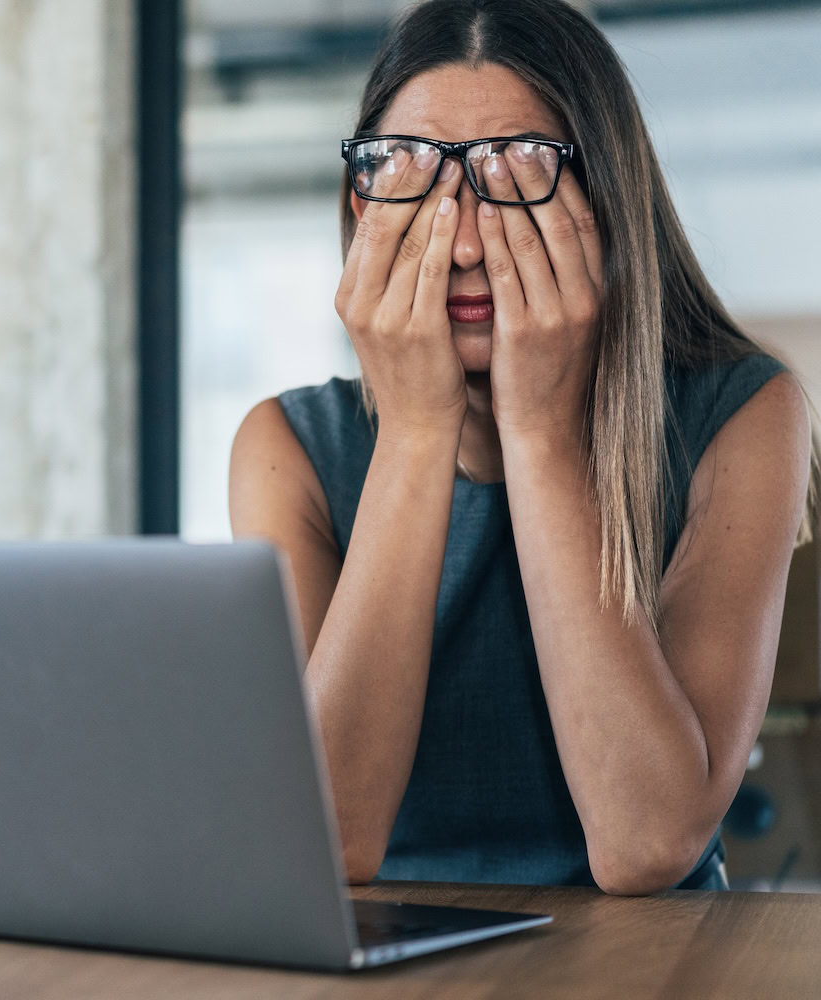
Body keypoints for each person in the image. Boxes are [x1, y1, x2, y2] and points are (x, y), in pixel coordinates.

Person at [227, 0, 820, 895]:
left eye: (520, 172)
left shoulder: (745, 414)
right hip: (391, 950)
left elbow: (648, 843)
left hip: (651, 958)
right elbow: (323, 843)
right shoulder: (287, 449)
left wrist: (540, 431)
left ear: (605, 202)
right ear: (364, 203)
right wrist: (417, 432)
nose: (465, 243)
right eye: (415, 174)